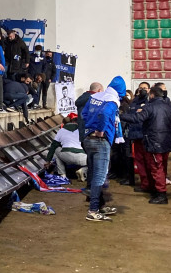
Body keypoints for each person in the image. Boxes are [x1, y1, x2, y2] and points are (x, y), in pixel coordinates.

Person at [125, 85, 171, 204]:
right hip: (166, 142)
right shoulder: (170, 109)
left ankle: (161, 194)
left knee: (157, 168)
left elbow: (137, 118)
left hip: (154, 142)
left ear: (152, 95)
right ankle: (157, 190)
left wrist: (121, 116)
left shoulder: (149, 107)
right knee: (162, 167)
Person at [80, 76, 126, 221]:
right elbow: (105, 114)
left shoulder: (96, 96)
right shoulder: (112, 101)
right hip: (101, 141)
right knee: (99, 177)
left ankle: (99, 205)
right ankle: (93, 210)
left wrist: (91, 126)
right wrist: (100, 129)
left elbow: (83, 114)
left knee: (94, 174)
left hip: (88, 139)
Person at [125, 82, 151, 192]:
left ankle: (151, 184)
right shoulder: (134, 101)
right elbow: (131, 116)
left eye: (145, 88)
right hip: (135, 135)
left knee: (149, 162)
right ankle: (145, 184)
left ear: (149, 90)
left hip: (147, 136)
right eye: (140, 88)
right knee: (139, 161)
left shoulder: (151, 102)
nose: (142, 90)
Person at [45, 115, 87, 181]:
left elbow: (53, 146)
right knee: (93, 162)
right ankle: (83, 170)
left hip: (67, 156)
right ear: (72, 122)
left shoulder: (61, 131)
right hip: (81, 157)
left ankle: (62, 175)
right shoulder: (80, 130)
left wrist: (48, 161)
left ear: (63, 124)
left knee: (57, 149)